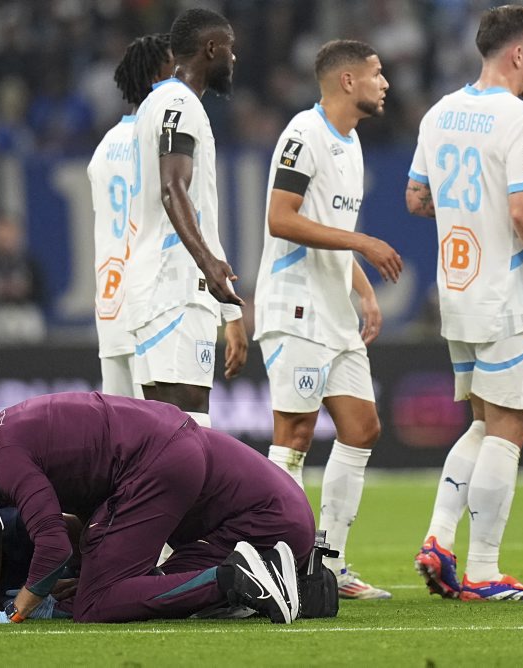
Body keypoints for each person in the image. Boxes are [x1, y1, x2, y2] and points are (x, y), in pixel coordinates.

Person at [404, 5, 523, 602]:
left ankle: (437, 538)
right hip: (509, 293)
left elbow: (416, 197)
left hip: (457, 290)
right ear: (517, 55)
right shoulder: (521, 117)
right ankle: (482, 570)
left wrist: (463, 205)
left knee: (483, 422)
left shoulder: (438, 113)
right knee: (511, 428)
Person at [0, 392, 317, 624]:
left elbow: (54, 544)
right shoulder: (2, 439)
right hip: (179, 459)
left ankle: (240, 577)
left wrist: (19, 609)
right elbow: (84, 509)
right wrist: (95, 567)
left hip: (160, 462)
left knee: (99, 603)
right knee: (149, 589)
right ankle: (296, 589)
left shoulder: (3, 455)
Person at [253, 40, 402, 601]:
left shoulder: (353, 141)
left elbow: (330, 227)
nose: (385, 82)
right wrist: (363, 244)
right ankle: (281, 562)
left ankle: (330, 564)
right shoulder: (303, 135)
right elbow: (280, 219)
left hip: (334, 310)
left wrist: (362, 290)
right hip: (295, 308)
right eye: (377, 72)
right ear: (346, 81)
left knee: (362, 428)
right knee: (292, 438)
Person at [127, 8, 247, 426]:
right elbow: (171, 187)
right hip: (174, 285)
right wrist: (208, 263)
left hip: (154, 286)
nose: (234, 59)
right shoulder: (181, 103)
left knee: (161, 435)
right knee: (191, 429)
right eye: (230, 50)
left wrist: (230, 315)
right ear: (211, 48)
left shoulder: (152, 105)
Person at [89, 33, 174, 398]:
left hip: (111, 299)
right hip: (151, 300)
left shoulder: (105, 145)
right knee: (162, 428)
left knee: (118, 432)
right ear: (158, 77)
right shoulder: (163, 139)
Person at [0, 211, 47, 344]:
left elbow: (43, 296)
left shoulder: (28, 263)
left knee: (31, 322)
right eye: (0, 235)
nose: (5, 239)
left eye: (9, 234)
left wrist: (24, 290)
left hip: (23, 312)